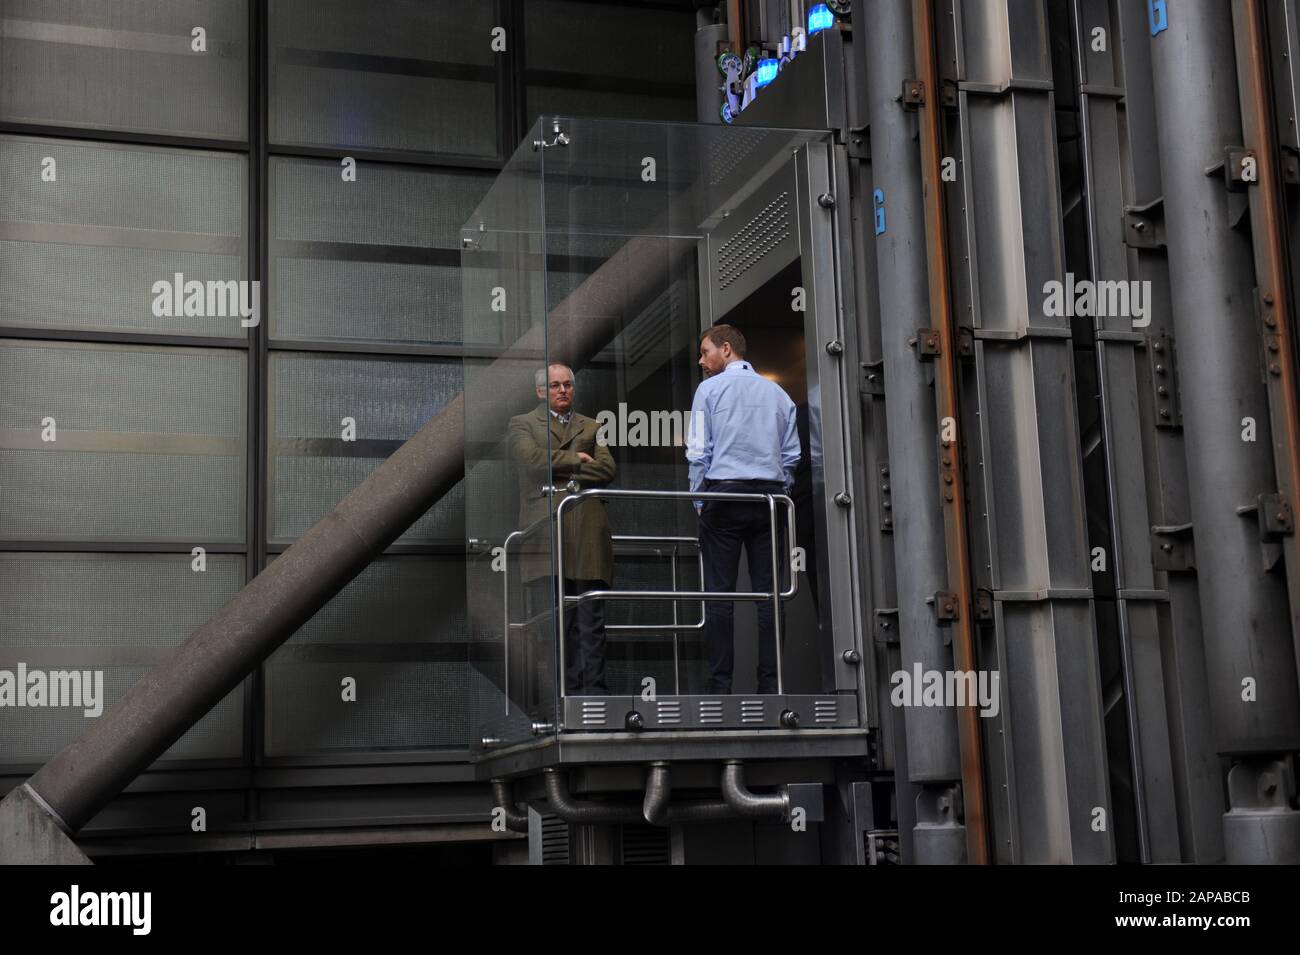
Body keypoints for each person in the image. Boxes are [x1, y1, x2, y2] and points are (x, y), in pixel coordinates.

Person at [686, 324, 800, 694]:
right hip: (769, 499)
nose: (702, 361)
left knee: (720, 597)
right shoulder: (778, 394)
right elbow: (791, 456)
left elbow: (698, 451)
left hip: (725, 495)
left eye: (706, 352)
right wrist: (779, 487)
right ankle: (772, 687)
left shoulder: (709, 390)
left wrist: (699, 501)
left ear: (727, 349)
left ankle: (721, 688)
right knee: (771, 597)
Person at [508, 363, 616, 695]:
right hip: (547, 532)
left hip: (586, 529)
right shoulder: (522, 423)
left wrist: (560, 466)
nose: (562, 391)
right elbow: (530, 460)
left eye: (567, 385)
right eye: (554, 386)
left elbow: (608, 469)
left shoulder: (592, 424)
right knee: (555, 623)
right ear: (541, 391)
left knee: (590, 620)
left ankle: (594, 693)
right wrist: (578, 459)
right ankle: (562, 697)